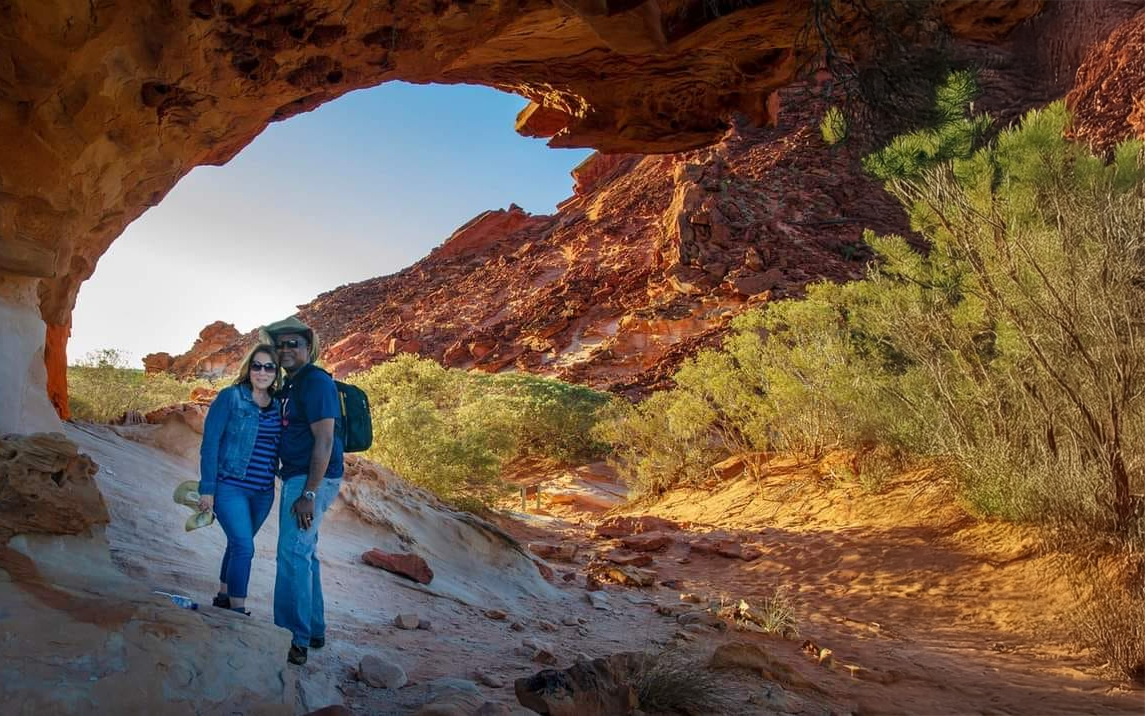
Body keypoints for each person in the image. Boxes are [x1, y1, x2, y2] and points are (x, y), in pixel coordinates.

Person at [261, 316, 344, 666]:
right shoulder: (292, 385)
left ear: (308, 348)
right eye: (280, 344)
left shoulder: (315, 382)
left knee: (292, 554)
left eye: (293, 343)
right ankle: (313, 629)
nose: (286, 349)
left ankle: (292, 639)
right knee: (304, 554)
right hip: (300, 477)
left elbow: (325, 439)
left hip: (309, 480)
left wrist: (308, 493)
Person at [197, 343, 282, 616]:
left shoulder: (279, 405)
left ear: (276, 372)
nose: (262, 372)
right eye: (257, 365)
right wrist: (207, 489)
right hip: (230, 486)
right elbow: (210, 444)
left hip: (263, 492)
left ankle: (223, 596)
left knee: (237, 544)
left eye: (269, 366)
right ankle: (237, 610)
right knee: (245, 546)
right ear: (249, 368)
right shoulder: (230, 397)